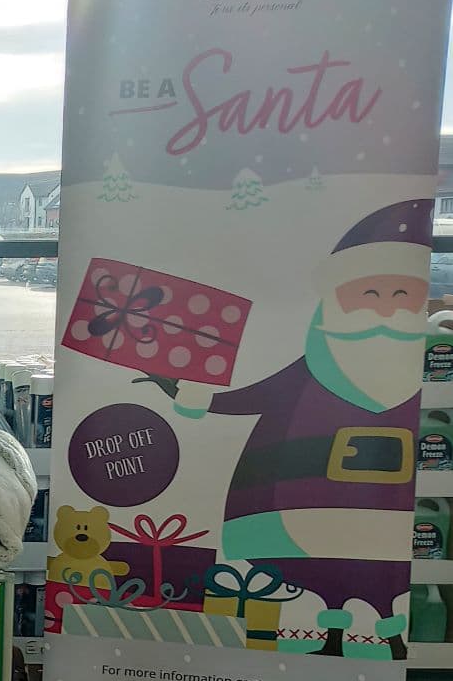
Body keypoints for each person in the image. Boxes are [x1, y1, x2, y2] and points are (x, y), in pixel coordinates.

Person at [141, 200, 430, 614]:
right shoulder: (313, 366)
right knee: (311, 576)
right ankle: (332, 630)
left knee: (375, 574)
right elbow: (257, 396)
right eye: (369, 293)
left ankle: (376, 631)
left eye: (401, 294)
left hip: (378, 509)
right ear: (335, 299)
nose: (385, 308)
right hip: (294, 510)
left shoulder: (409, 378)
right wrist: (188, 395)